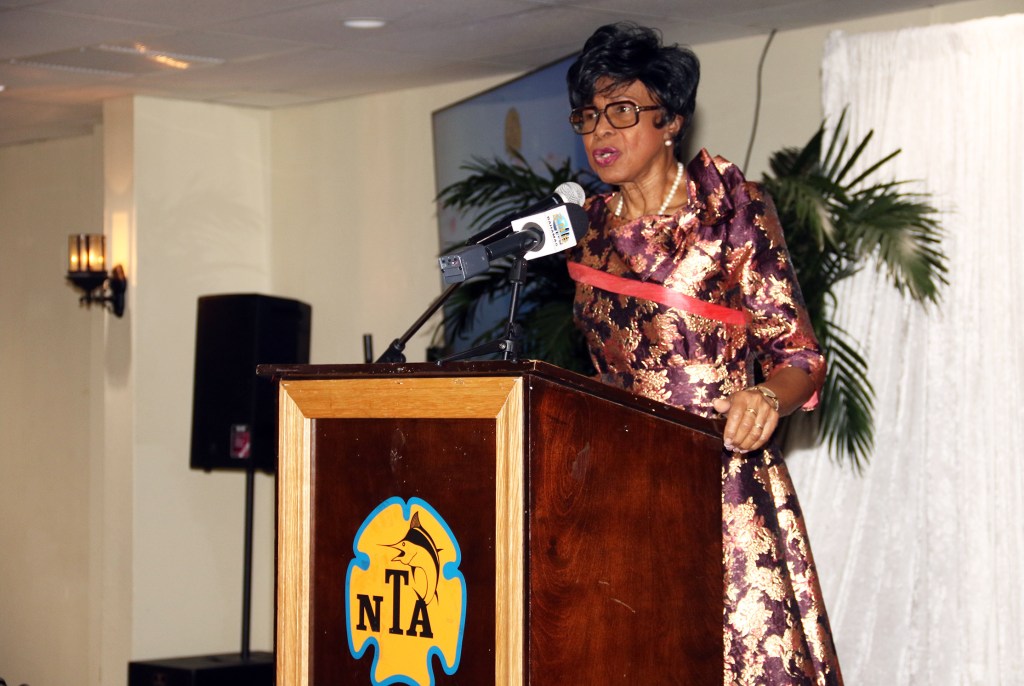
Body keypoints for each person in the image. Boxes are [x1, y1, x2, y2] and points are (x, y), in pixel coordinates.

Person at [565, 22, 843, 685]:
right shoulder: (588, 235)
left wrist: (762, 396)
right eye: (588, 116)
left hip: (722, 479)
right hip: (624, 487)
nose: (601, 131)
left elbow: (801, 359)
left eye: (623, 111)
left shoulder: (729, 213)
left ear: (672, 121)